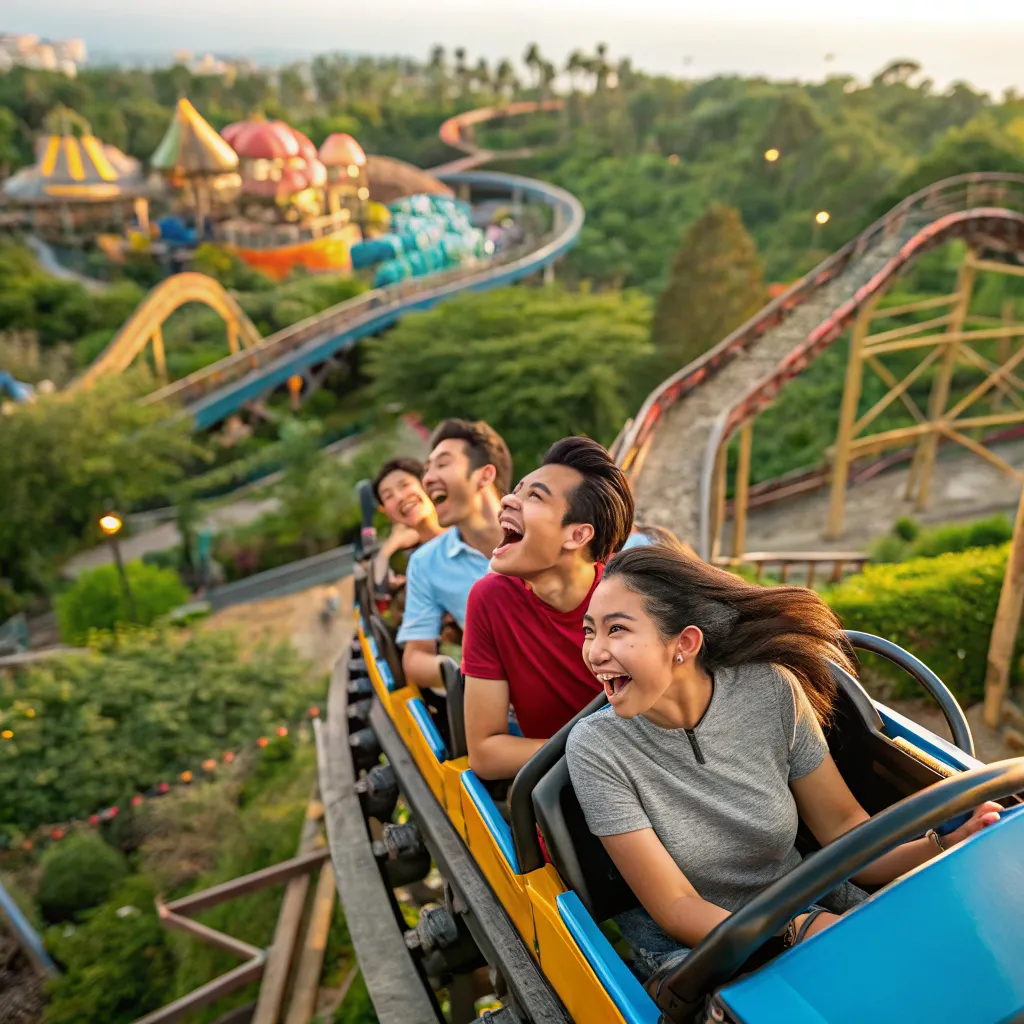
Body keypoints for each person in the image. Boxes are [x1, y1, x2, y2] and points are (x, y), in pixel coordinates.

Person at [567, 547, 1002, 985]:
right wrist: (796, 929)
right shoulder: (596, 748)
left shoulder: (770, 689)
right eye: (590, 632)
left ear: (684, 643)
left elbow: (846, 832)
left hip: (804, 900)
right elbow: (677, 907)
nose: (595, 652)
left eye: (616, 629)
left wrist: (941, 845)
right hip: (700, 949)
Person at [463, 436, 635, 780]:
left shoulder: (632, 595)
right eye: (517, 489)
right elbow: (485, 753)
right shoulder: (490, 599)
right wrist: (594, 753)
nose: (508, 499)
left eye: (534, 496)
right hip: (566, 789)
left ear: (577, 536)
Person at [398, 419, 512, 689]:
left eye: (442, 464)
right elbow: (415, 656)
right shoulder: (426, 563)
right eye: (427, 469)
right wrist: (472, 673)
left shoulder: (543, 525)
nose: (426, 478)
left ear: (485, 474)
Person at [371, 457, 444, 597]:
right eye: (388, 496)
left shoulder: (466, 526)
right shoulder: (416, 563)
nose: (400, 497)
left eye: (404, 485)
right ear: (385, 511)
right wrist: (391, 545)